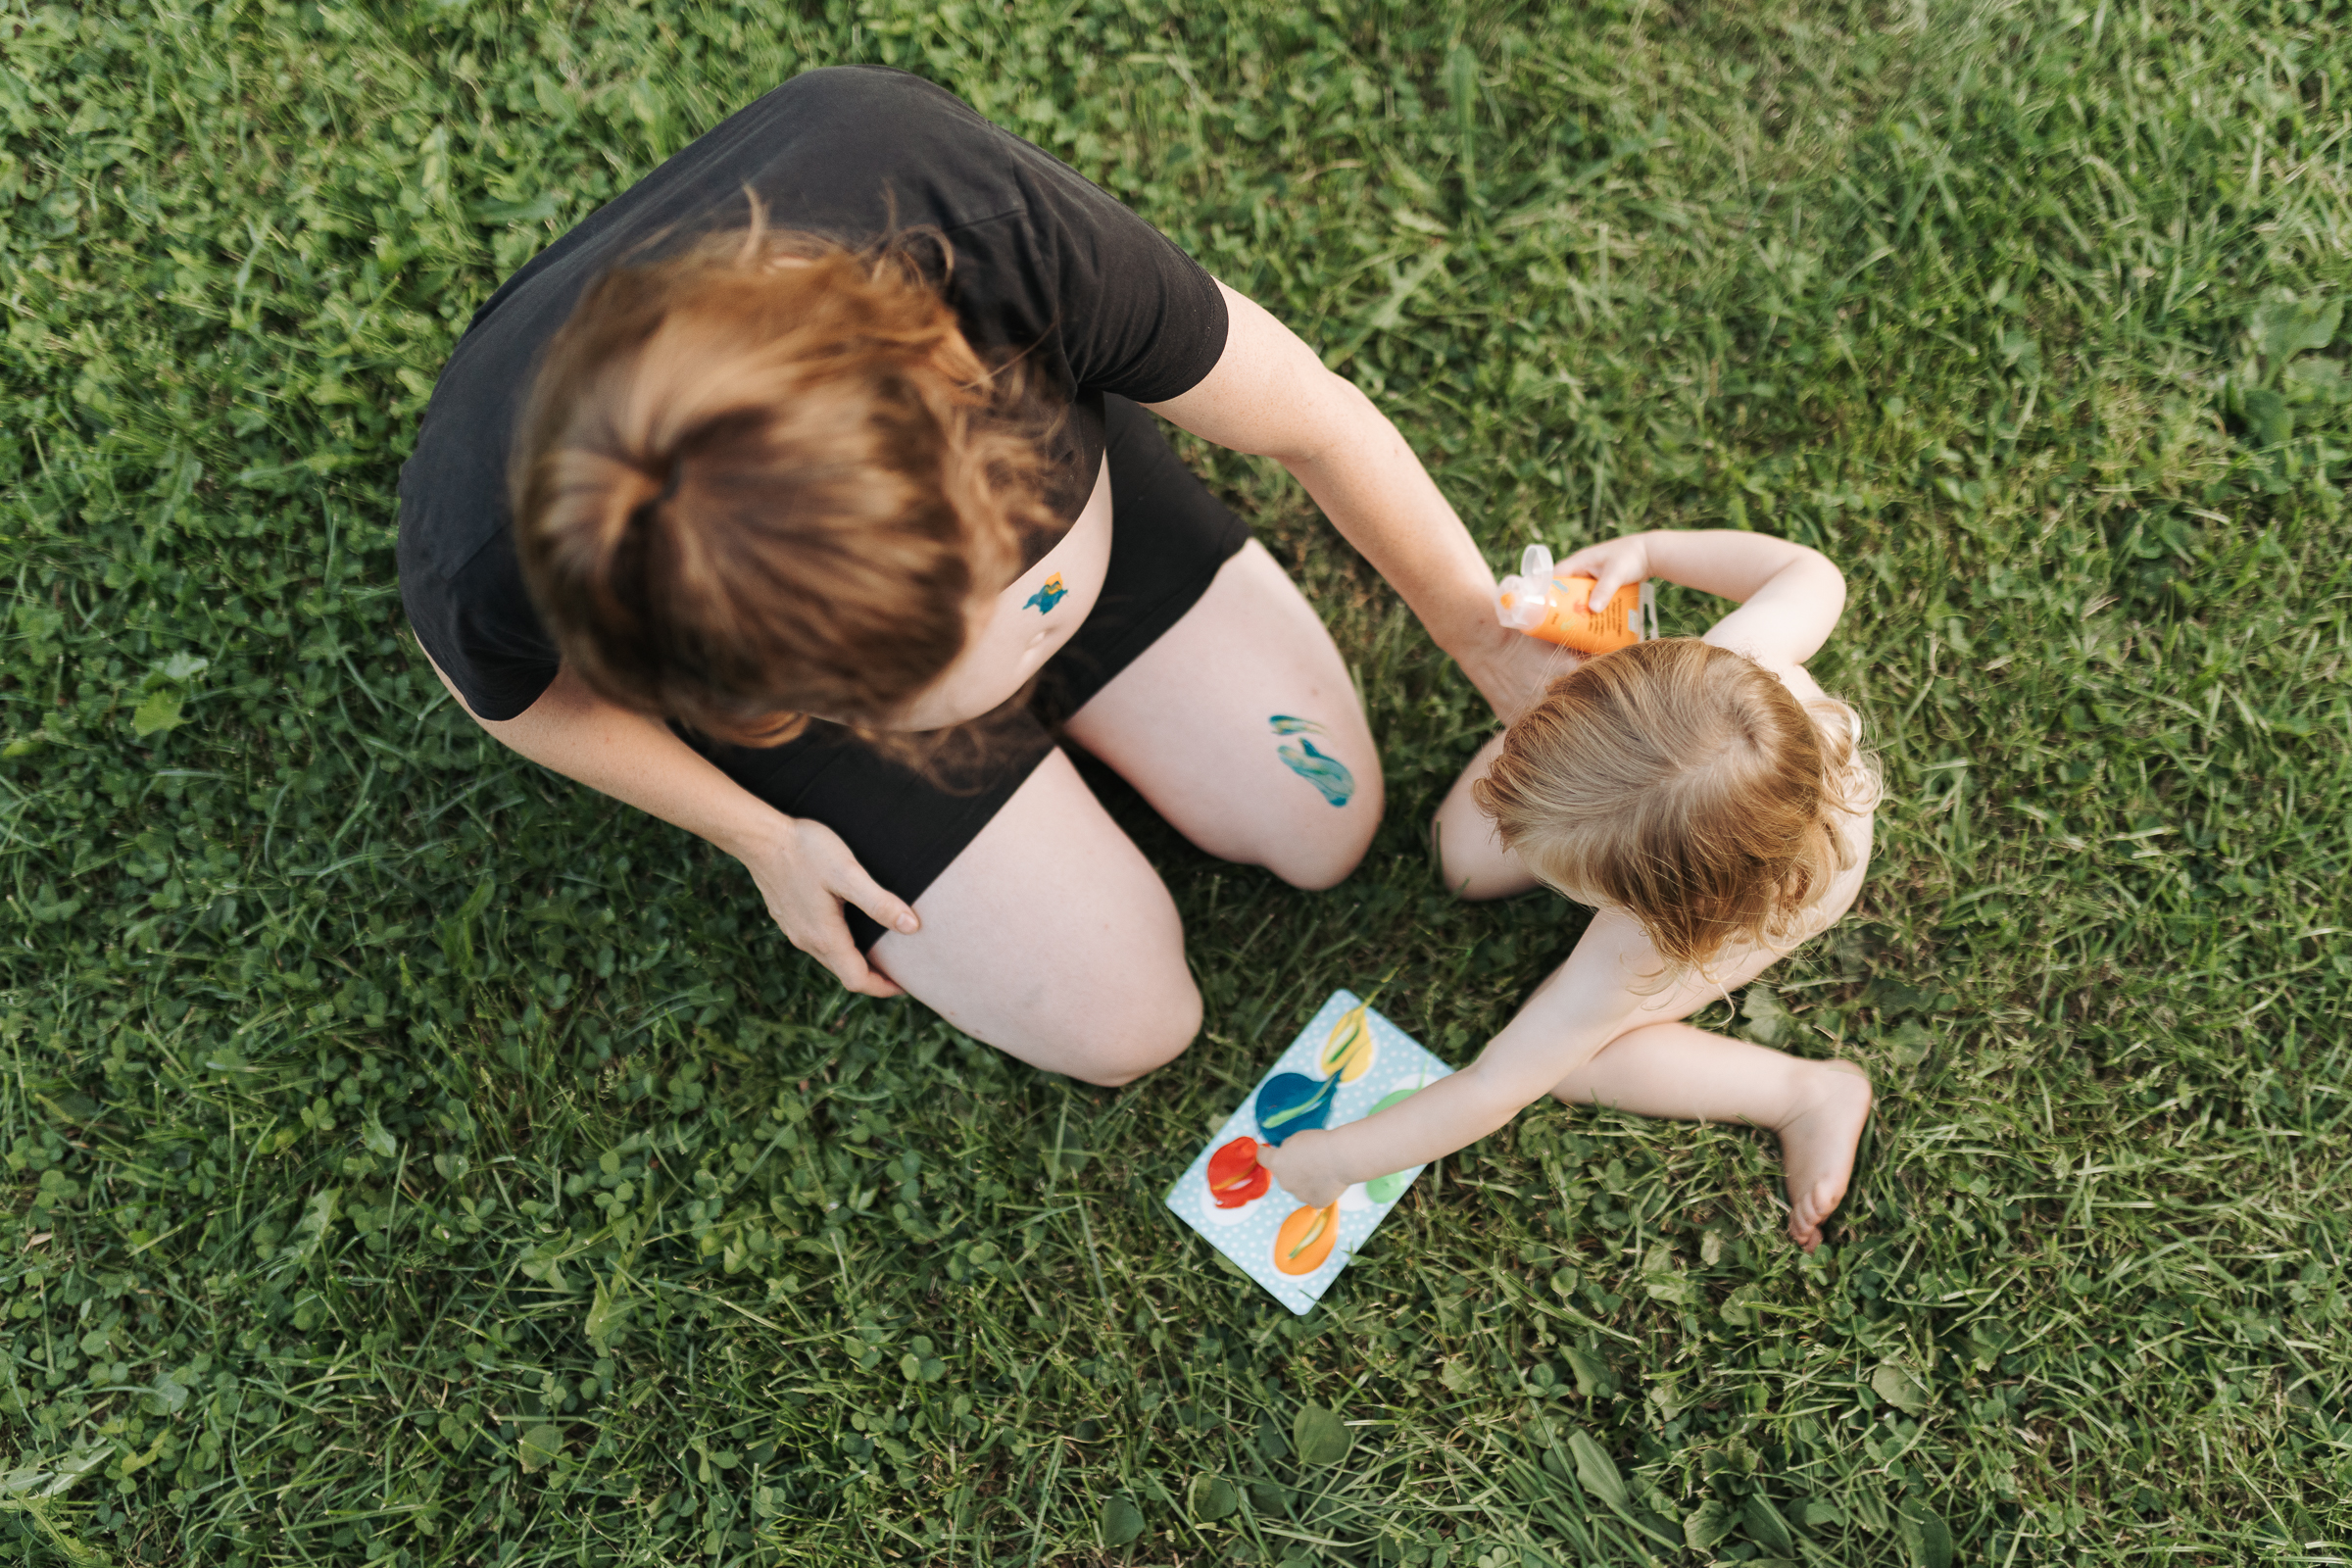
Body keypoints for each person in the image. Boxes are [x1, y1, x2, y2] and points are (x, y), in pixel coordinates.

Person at [396, 67, 1557, 1088]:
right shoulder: (491, 542)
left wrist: (1480, 630)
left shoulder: (961, 215)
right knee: (1128, 1020)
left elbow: (1309, 415)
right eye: (912, 691)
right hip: (812, 620)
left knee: (1324, 820)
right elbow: (511, 699)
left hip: (1087, 530)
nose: (996, 677)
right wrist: (758, 833)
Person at [1259, 529, 1880, 1250]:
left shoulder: (1639, 946)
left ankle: (1805, 1096)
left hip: (1782, 899)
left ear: (1641, 904)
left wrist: (1338, 1160)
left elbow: (1496, 1084)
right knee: (1456, 855)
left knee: (1581, 1063)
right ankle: (1577, 787)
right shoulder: (1746, 660)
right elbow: (1810, 571)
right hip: (1742, 839)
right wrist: (1652, 554)